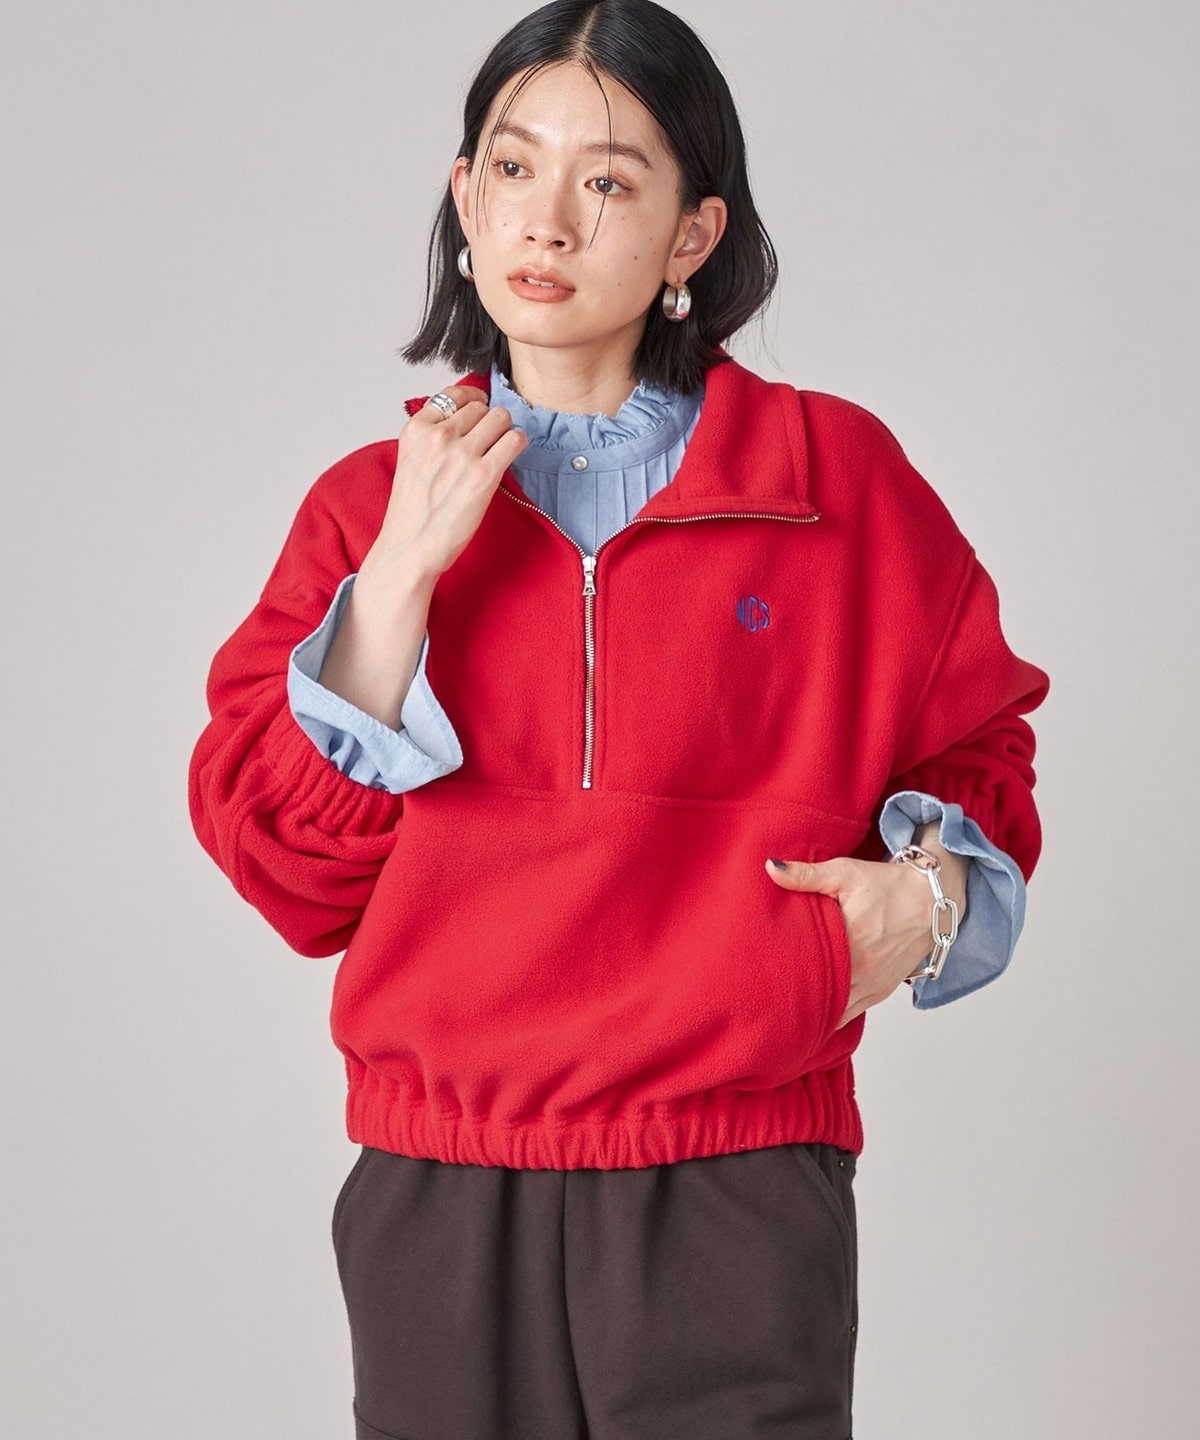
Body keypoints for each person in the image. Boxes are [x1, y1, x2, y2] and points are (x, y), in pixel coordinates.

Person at [188, 2, 1049, 1435]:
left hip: (737, 1170)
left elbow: (983, 747)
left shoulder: (834, 479)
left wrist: (929, 898)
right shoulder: (366, 510)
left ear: (692, 236)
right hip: (440, 1182)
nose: (549, 220)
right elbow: (288, 872)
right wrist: (400, 574)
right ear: (465, 199)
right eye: (512, 167)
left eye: (608, 180)